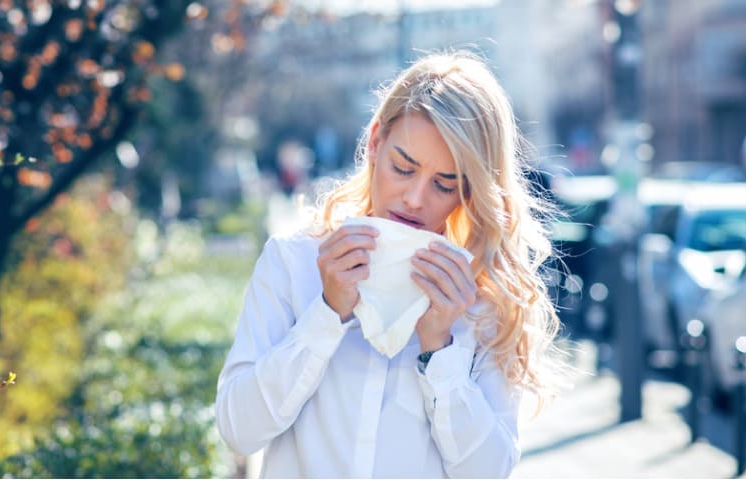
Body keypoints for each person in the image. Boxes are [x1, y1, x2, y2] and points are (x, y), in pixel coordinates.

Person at [214, 51, 565, 478]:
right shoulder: (294, 261)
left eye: (443, 184)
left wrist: (440, 349)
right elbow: (238, 430)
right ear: (376, 143)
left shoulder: (480, 301)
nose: (416, 198)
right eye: (403, 168)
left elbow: (489, 472)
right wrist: (326, 313)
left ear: (469, 193)